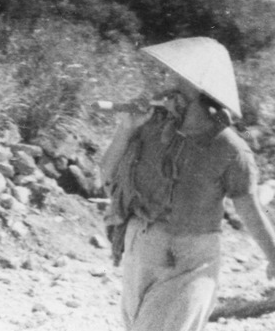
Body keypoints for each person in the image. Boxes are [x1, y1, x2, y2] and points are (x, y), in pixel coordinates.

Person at [101, 36, 275, 331]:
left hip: (192, 263)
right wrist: (126, 129)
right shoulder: (149, 127)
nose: (167, 85)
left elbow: (249, 209)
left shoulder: (231, 150)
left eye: (179, 79)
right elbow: (106, 176)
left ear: (203, 90)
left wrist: (273, 255)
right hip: (140, 249)